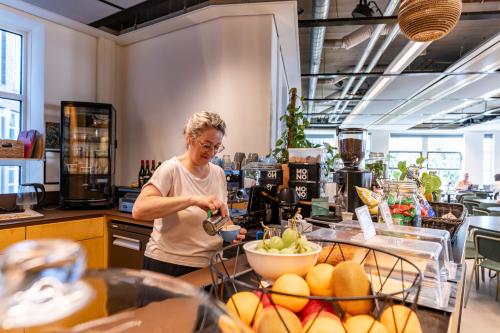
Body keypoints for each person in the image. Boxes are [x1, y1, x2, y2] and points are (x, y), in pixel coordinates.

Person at [132, 111, 246, 277]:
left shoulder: (219, 173)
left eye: (216, 147)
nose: (212, 153)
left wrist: (231, 230)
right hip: (169, 265)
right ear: (189, 137)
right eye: (206, 145)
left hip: (210, 265)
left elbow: (221, 216)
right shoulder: (171, 169)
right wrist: (193, 200)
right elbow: (139, 210)